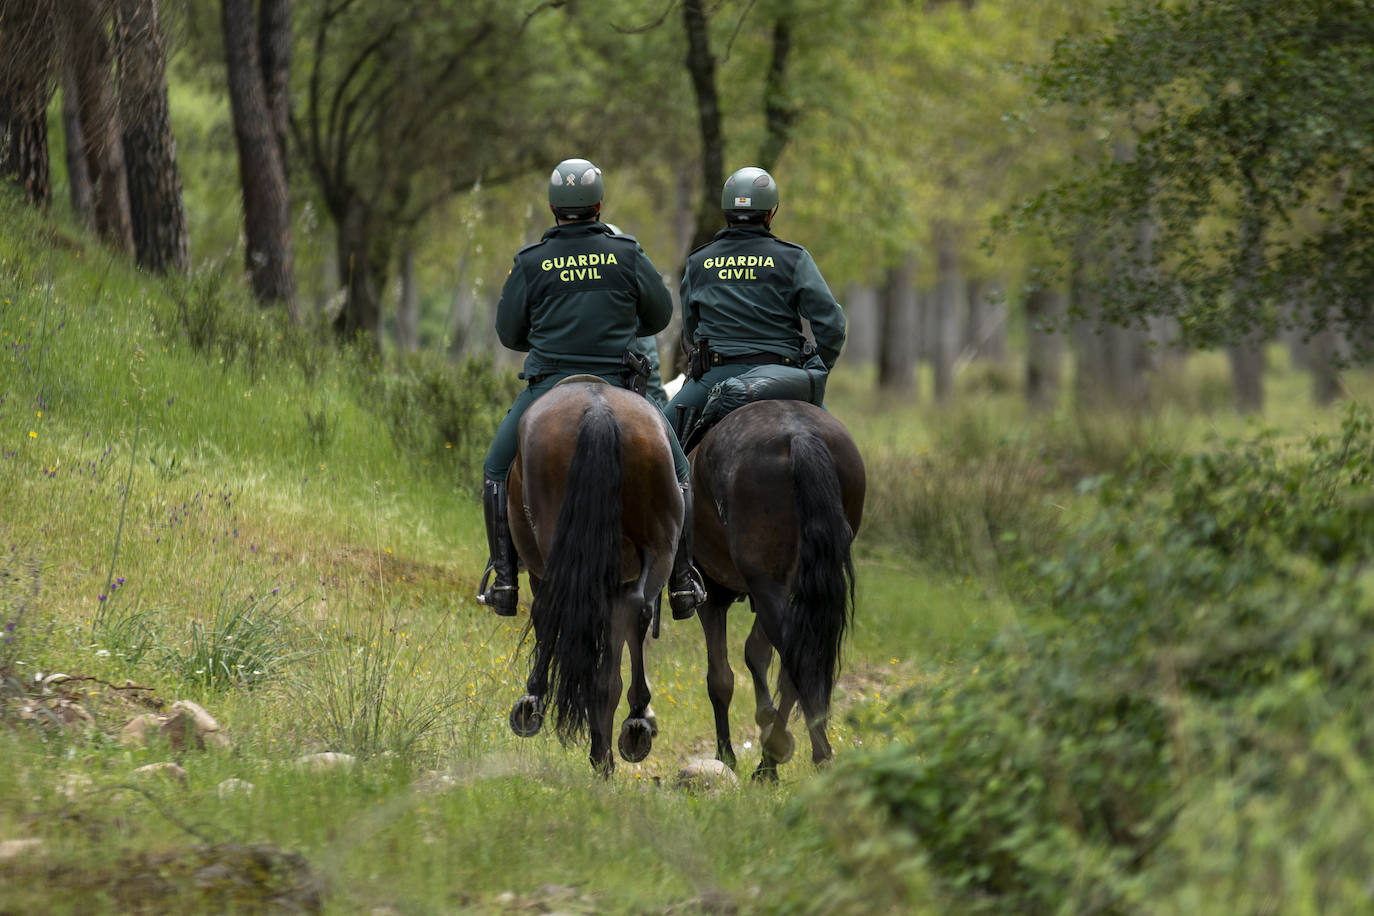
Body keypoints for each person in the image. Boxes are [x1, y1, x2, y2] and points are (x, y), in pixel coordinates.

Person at [477, 158, 705, 619]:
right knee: (680, 471)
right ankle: (682, 581)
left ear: (552, 207)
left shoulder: (530, 261)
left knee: (496, 469)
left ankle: (504, 578)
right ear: (599, 205)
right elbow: (660, 316)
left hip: (546, 385)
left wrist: (545, 341)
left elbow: (508, 333)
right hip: (620, 383)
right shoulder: (626, 252)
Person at [667, 166, 847, 444]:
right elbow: (832, 324)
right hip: (784, 378)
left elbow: (691, 331)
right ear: (770, 213)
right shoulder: (794, 258)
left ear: (726, 212)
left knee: (657, 436)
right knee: (836, 446)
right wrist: (817, 365)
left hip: (714, 378)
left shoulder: (699, 262)